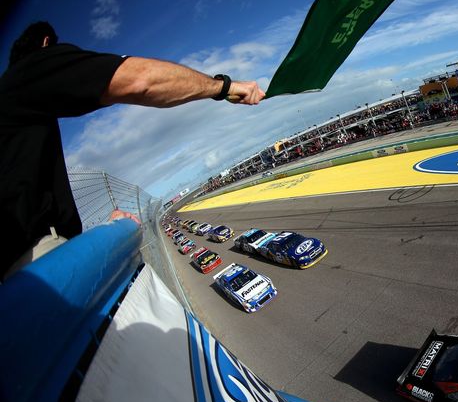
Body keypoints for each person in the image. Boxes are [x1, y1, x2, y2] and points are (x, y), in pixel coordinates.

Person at [0, 21, 266, 280]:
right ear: (46, 44)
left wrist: (104, 230)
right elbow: (141, 80)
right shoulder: (27, 71)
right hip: (34, 264)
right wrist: (225, 86)